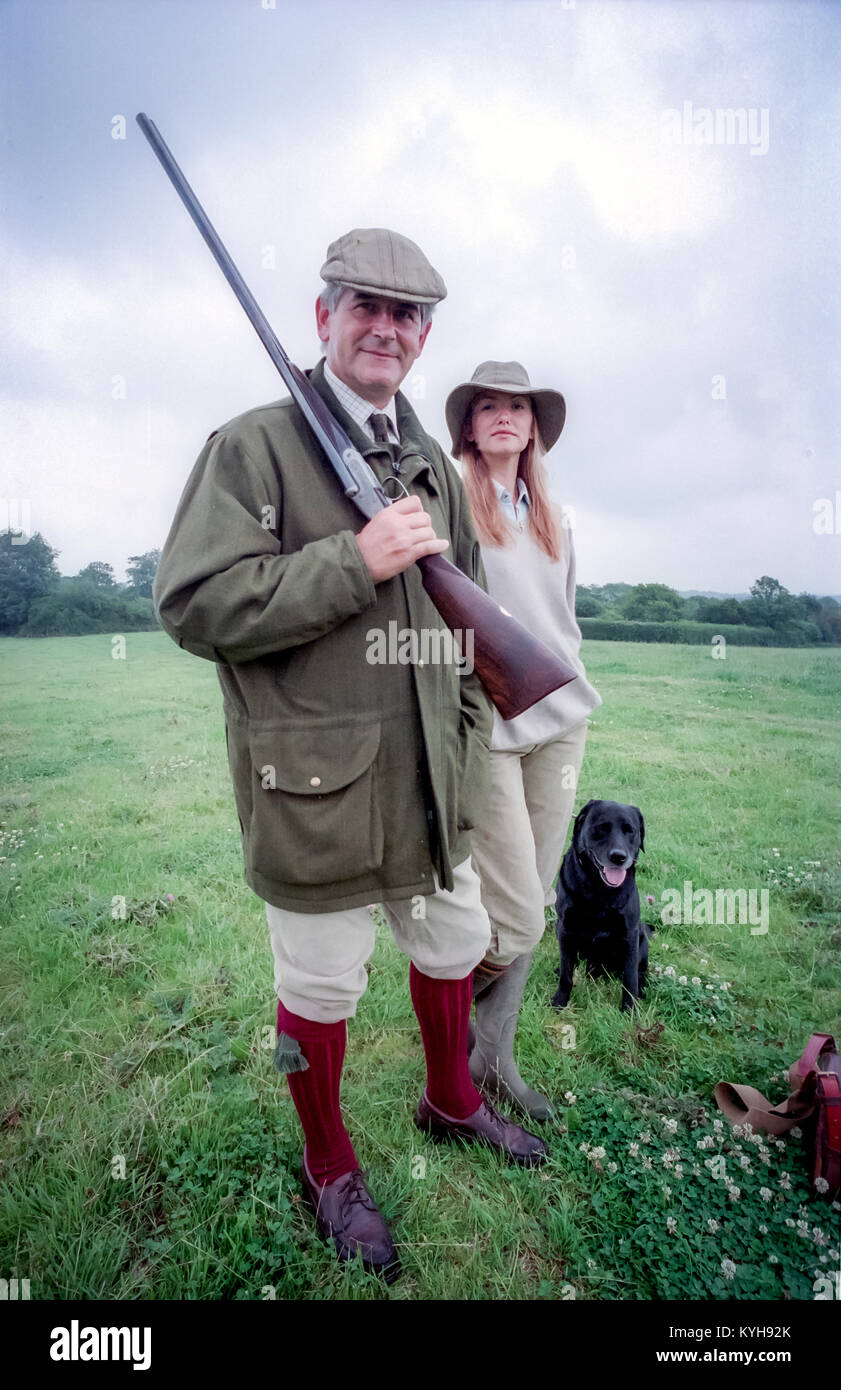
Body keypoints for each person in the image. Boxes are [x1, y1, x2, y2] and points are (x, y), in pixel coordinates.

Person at [153, 236, 548, 1287]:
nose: (385, 328)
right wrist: (348, 561)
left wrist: (464, 729)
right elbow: (192, 604)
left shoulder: (433, 467)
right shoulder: (252, 446)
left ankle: (451, 1099)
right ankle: (328, 1164)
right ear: (322, 315)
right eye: (364, 307)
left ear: (425, 339)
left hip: (429, 777)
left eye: (407, 316)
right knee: (319, 989)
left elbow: (468, 627)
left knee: (455, 942)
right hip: (315, 785)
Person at [444, 361, 602, 1120]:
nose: (504, 417)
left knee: (535, 897)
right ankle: (445, 1033)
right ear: (469, 426)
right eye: (488, 407)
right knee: (515, 916)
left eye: (518, 407)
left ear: (533, 426)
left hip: (561, 719)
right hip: (492, 724)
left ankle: (492, 1057)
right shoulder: (447, 499)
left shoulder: (554, 512)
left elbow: (562, 616)